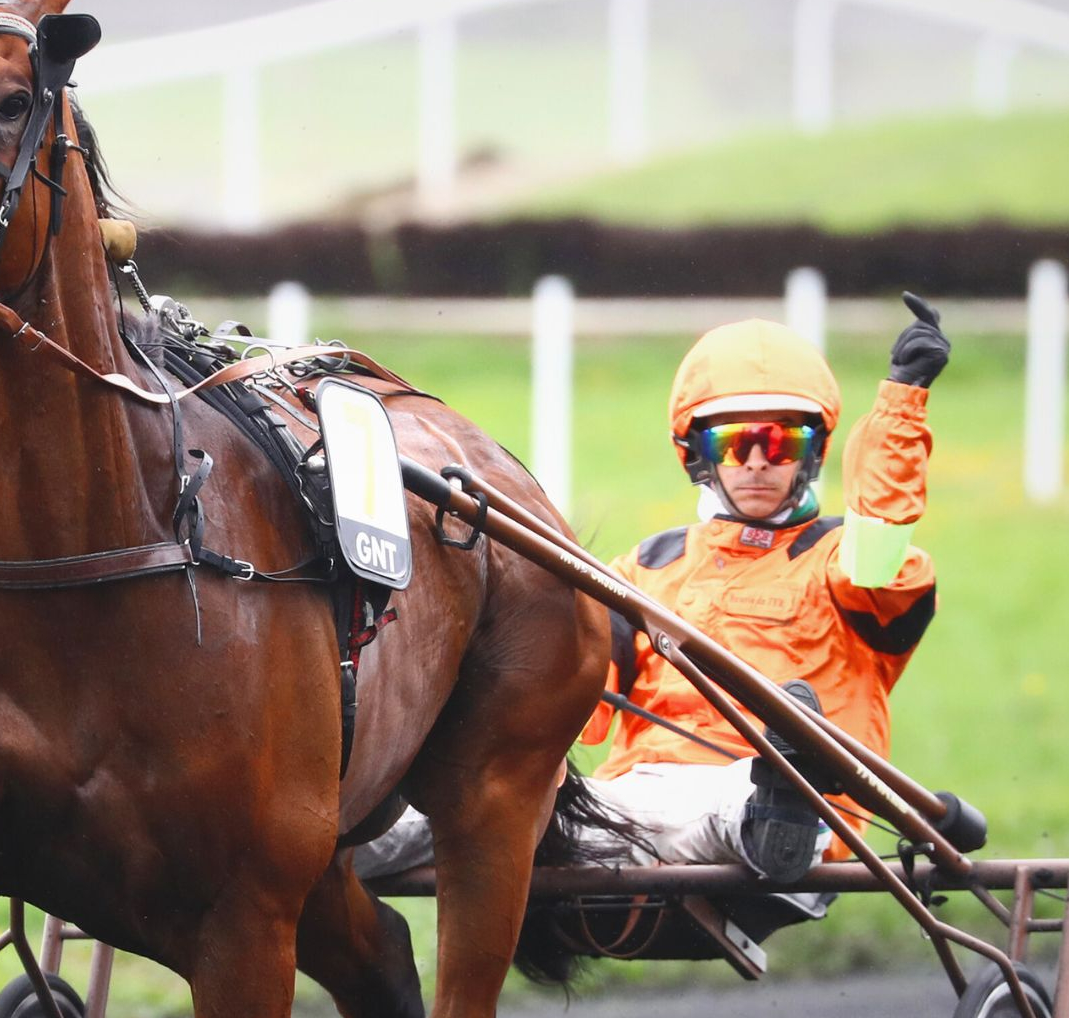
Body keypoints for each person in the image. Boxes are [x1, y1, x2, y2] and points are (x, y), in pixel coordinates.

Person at [354, 293, 948, 887]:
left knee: (737, 804)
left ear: (813, 454)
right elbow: (564, 704)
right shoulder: (644, 566)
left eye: (782, 443)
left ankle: (777, 809)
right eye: (738, 444)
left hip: (791, 806)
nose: (760, 462)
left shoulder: (851, 562)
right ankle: (329, 838)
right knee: (452, 818)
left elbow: (881, 546)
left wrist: (900, 405)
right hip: (636, 803)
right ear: (697, 455)